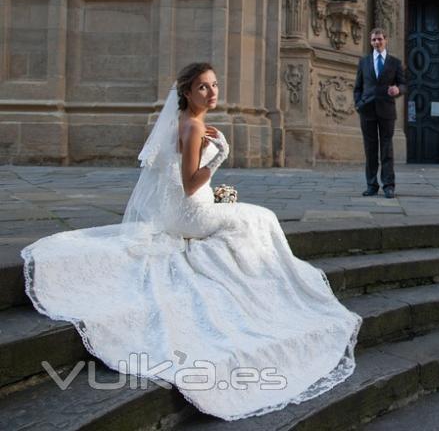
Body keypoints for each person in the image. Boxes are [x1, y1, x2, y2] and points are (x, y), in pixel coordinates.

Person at [20, 63, 361, 421]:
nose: (212, 93)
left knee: (250, 217)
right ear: (186, 92)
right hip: (190, 216)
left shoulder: (184, 121)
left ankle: (257, 276)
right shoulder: (193, 125)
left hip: (180, 212)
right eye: (203, 88)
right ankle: (270, 286)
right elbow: (191, 184)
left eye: (214, 85)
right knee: (262, 218)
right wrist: (221, 154)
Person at [353, 28, 406, 198]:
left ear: (386, 40)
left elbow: (404, 85)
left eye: (380, 39)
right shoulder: (364, 62)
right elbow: (358, 87)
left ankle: (388, 186)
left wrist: (398, 89)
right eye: (374, 40)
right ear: (370, 42)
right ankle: (371, 185)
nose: (377, 42)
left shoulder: (395, 63)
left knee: (386, 149)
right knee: (370, 149)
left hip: (386, 111)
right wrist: (358, 104)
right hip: (367, 110)